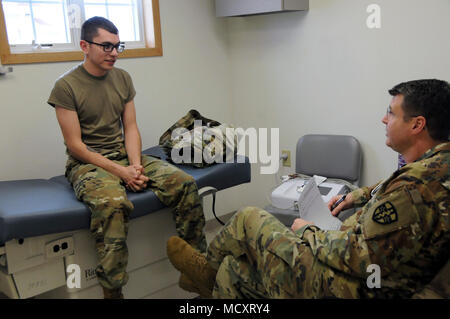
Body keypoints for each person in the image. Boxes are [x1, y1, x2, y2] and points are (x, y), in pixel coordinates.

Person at [167, 79, 450, 298]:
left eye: (391, 113)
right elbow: (395, 185)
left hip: (356, 285)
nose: (384, 120)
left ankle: (204, 272)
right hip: (385, 266)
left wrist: (307, 230)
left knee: (248, 219)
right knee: (233, 269)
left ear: (417, 124)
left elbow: (359, 257)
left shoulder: (414, 188)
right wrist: (357, 195)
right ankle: (211, 275)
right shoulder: (437, 165)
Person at [47, 16, 207, 299]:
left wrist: (134, 165)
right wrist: (122, 174)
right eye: (106, 46)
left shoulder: (122, 78)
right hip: (88, 163)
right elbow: (75, 146)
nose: (114, 53)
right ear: (85, 45)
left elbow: (130, 127)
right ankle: (112, 290)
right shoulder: (66, 86)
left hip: (125, 156)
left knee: (184, 184)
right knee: (112, 205)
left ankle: (197, 270)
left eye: (118, 46)